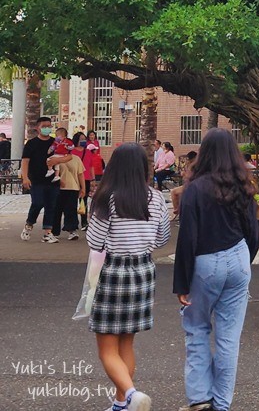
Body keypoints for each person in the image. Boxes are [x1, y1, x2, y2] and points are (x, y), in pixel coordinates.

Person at [174, 128, 259, 411]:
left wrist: (182, 283)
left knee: (197, 329)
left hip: (205, 263)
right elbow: (253, 233)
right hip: (238, 259)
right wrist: (245, 263)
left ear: (204, 154)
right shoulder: (243, 185)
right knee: (228, 337)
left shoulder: (194, 189)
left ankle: (200, 398)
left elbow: (187, 237)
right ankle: (221, 405)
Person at [87, 143, 171, 411]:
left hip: (115, 272)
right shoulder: (156, 198)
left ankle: (131, 394)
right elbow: (163, 238)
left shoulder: (106, 197)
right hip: (144, 271)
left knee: (107, 348)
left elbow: (95, 241)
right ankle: (121, 403)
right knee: (126, 341)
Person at [20, 117, 70, 243]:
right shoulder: (31, 144)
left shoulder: (56, 142)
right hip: (36, 180)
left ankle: (48, 233)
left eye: (49, 125)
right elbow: (25, 161)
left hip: (53, 180)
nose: (47, 128)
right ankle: (29, 223)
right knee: (37, 203)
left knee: (51, 206)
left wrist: (58, 160)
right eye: (44, 126)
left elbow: (69, 156)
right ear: (38, 128)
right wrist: (25, 178)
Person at [51, 139, 86, 241]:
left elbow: (80, 174)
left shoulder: (76, 159)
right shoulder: (55, 158)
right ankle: (54, 231)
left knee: (71, 210)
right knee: (56, 210)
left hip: (73, 187)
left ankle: (72, 230)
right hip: (58, 188)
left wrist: (83, 188)